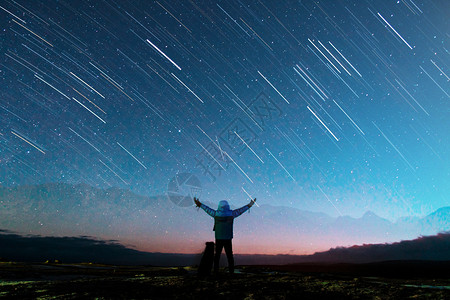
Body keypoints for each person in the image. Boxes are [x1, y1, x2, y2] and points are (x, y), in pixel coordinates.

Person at [194, 197, 256, 274]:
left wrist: (200, 204)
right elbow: (241, 210)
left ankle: (216, 271)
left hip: (218, 238)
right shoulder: (232, 214)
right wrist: (249, 205)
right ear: (227, 206)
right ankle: (231, 272)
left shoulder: (216, 214)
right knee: (229, 256)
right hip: (228, 238)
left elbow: (207, 209)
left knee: (217, 256)